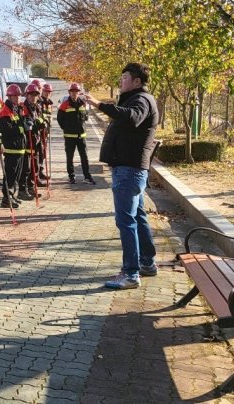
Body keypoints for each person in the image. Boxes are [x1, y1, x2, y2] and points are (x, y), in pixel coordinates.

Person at [84, 63, 159, 289]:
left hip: (129, 170)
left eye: (125, 77)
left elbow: (132, 117)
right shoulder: (134, 98)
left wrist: (100, 105)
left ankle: (130, 273)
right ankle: (147, 263)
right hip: (129, 169)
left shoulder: (141, 100)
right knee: (137, 217)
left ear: (137, 81)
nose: (121, 81)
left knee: (126, 221)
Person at [57, 83, 95, 185]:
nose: (74, 93)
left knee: (84, 157)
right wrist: (66, 128)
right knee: (70, 158)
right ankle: (71, 176)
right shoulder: (64, 105)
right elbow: (60, 119)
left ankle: (87, 176)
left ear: (78, 93)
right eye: (72, 92)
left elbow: (85, 117)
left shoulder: (83, 104)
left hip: (81, 136)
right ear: (69, 92)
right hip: (69, 137)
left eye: (76, 92)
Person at [0, 84, 27, 208]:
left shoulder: (18, 109)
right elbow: (6, 130)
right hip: (11, 148)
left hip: (19, 148)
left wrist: (25, 121)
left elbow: (22, 123)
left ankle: (12, 195)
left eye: (19, 96)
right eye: (15, 96)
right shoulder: (5, 111)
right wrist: (21, 128)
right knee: (10, 174)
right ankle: (6, 198)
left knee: (17, 175)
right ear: (9, 97)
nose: (17, 98)